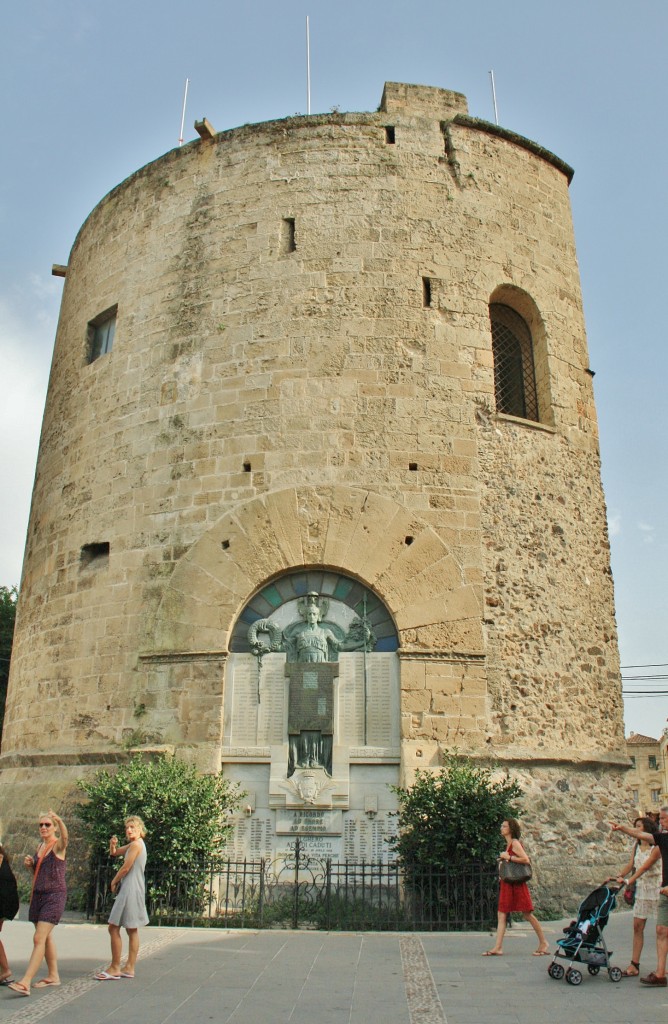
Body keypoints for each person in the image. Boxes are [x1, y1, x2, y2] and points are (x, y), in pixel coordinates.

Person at [8, 810, 68, 996]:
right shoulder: (40, 846)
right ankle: (53, 975)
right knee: (45, 937)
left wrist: (59, 820)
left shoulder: (57, 845)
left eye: (47, 824)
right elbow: (39, 874)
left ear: (54, 827)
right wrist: (31, 866)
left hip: (54, 896)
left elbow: (66, 839)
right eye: (41, 825)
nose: (43, 827)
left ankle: (25, 982)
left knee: (38, 938)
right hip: (39, 896)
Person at [610, 804, 668, 987]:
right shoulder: (657, 840)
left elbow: (648, 865)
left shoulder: (658, 845)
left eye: (664, 819)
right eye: (660, 820)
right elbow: (638, 863)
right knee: (649, 928)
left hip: (657, 887)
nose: (661, 822)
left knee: (662, 931)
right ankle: (647, 969)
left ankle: (660, 970)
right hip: (653, 889)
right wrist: (625, 879)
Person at [482, 818, 550, 957]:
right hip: (508, 883)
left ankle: (543, 942)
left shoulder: (514, 843)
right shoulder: (509, 844)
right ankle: (498, 947)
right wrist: (504, 858)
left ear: (511, 829)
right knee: (502, 913)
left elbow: (526, 859)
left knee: (527, 914)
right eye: (502, 825)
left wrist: (508, 857)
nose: (501, 828)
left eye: (504, 826)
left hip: (516, 884)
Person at [95, 815, 149, 981]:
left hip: (130, 889)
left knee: (113, 927)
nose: (129, 830)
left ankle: (115, 967)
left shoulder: (136, 845)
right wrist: (113, 845)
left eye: (132, 827)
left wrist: (114, 880)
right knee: (132, 929)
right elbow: (115, 853)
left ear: (140, 829)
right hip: (135, 888)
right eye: (127, 828)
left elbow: (126, 867)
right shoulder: (135, 844)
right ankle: (129, 967)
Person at [0, 845, 19, 985]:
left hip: (4, 903)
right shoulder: (3, 859)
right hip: (7, 902)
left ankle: (5, 970)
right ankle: (4, 970)